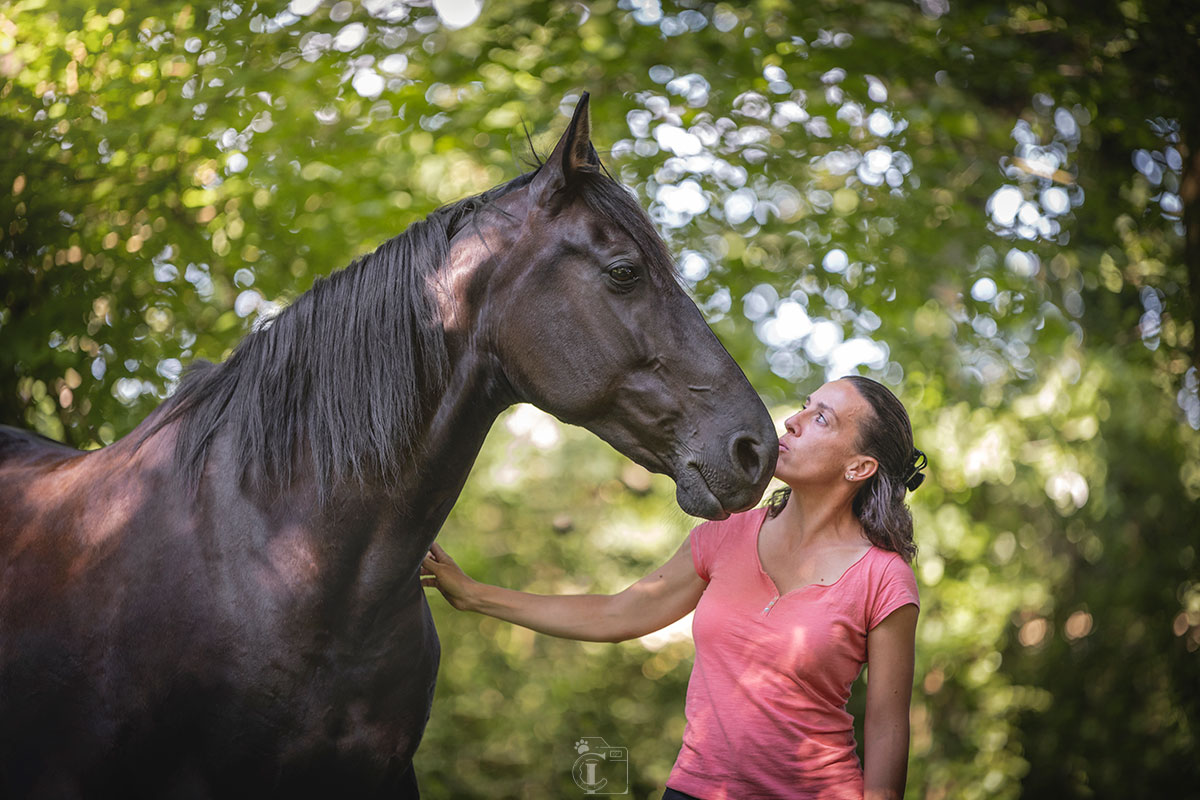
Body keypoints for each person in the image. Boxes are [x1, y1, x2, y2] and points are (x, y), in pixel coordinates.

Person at [421, 376, 927, 800]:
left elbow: (886, 728)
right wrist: (473, 594)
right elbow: (618, 614)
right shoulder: (722, 534)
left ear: (858, 467)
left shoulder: (882, 577)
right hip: (697, 789)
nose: (793, 420)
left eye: (822, 419)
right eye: (804, 406)